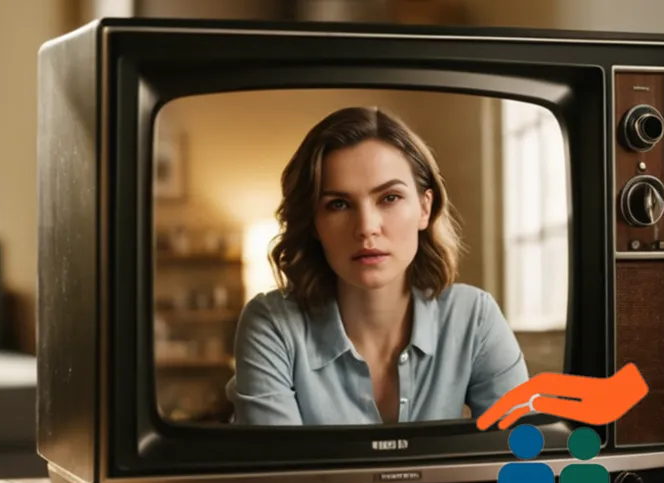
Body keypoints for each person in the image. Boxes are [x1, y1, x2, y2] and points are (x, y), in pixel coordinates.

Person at [226, 106, 529, 425]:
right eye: (338, 204)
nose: (367, 227)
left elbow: (522, 455)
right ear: (314, 223)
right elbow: (281, 472)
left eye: (389, 198)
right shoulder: (272, 325)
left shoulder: (474, 318)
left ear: (425, 208)